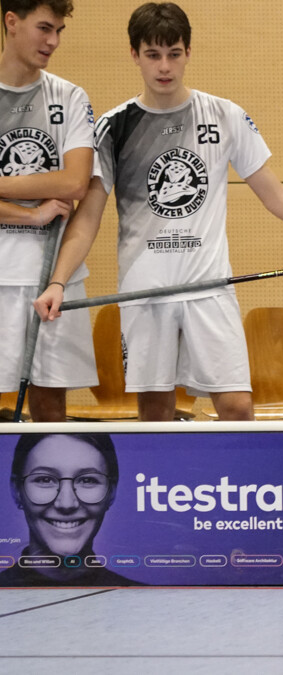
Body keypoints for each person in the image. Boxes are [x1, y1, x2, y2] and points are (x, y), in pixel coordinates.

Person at [32, 2, 283, 421]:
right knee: (155, 413)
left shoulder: (224, 115)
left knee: (238, 407)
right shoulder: (115, 127)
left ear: (188, 52)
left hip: (210, 288)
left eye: (174, 54)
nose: (164, 67)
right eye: (153, 55)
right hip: (145, 292)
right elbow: (90, 215)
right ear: (134, 55)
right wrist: (58, 281)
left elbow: (276, 196)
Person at [0, 0, 96, 421]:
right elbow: (56, 186)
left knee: (52, 408)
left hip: (54, 276)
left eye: (59, 30)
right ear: (11, 22)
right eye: (44, 28)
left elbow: (76, 182)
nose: (53, 41)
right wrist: (31, 213)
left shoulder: (70, 96)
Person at [1, 433, 136, 585]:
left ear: (111, 492)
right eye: (45, 479)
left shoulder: (141, 598)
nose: (66, 504)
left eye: (87, 480)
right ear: (16, 490)